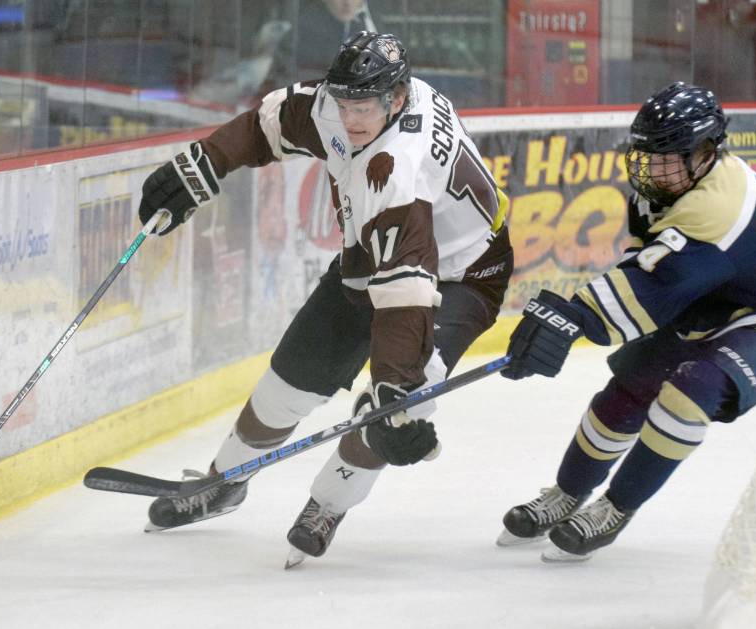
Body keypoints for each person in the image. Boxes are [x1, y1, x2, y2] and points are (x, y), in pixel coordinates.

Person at [135, 31, 512, 567]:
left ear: (397, 99)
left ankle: (328, 504)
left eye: (364, 108)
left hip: (462, 276)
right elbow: (270, 125)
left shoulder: (400, 166)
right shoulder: (348, 102)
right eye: (345, 103)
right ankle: (223, 484)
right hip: (374, 250)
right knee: (288, 383)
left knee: (390, 409)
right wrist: (203, 164)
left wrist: (392, 391)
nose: (351, 118)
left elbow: (405, 295)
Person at [496, 81, 756, 562]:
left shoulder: (718, 207)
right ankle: (567, 492)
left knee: (689, 391)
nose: (652, 169)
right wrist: (572, 316)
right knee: (632, 383)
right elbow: (646, 264)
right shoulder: (663, 189)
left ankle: (616, 507)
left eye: (667, 157)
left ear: (706, 153)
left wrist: (572, 317)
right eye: (646, 155)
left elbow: (652, 290)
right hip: (722, 292)